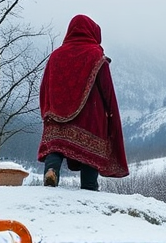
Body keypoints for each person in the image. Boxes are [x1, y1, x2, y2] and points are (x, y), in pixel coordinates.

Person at [37, 14, 129, 190]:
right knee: (90, 152)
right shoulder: (96, 55)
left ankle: (51, 171)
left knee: (55, 147)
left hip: (56, 114)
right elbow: (106, 89)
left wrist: (47, 111)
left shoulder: (55, 56)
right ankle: (89, 187)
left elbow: (45, 87)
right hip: (90, 116)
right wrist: (110, 114)